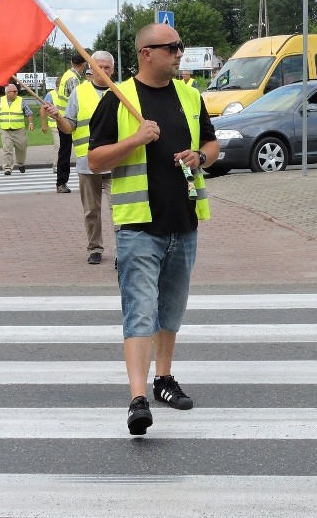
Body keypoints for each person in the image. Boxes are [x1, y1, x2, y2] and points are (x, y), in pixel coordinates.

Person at [87, 23, 219, 436]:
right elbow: (94, 162)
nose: (181, 53)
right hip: (139, 226)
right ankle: (138, 398)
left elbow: (213, 146)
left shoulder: (190, 95)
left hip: (184, 221)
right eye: (173, 47)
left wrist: (199, 156)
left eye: (181, 45)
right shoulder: (119, 100)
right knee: (140, 311)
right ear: (146, 53)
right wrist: (135, 140)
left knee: (171, 310)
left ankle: (164, 380)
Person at [46, 51, 115, 265]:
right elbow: (69, 127)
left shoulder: (121, 92)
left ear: (113, 69)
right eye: (99, 67)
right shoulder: (79, 92)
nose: (103, 71)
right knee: (91, 211)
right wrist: (58, 117)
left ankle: (123, 252)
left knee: (120, 210)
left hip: (116, 162)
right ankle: (95, 248)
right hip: (88, 163)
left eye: (107, 68)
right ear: (90, 69)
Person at [54, 53, 88, 192]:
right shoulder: (73, 79)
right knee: (67, 151)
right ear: (84, 64)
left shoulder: (67, 75)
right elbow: (77, 99)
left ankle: (61, 182)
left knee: (64, 151)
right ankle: (61, 182)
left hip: (64, 119)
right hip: (69, 120)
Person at [0, 83, 34, 175]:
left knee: (22, 148)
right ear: (7, 93)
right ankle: (7, 168)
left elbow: (29, 113)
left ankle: (21, 163)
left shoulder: (21, 100)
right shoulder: (0, 101)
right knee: (7, 149)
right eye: (14, 91)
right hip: (5, 130)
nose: (16, 93)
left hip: (19, 130)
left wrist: (30, 123)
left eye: (17, 91)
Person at [39, 88, 59, 173]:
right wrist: (43, 124)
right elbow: (43, 109)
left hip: (67, 124)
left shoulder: (68, 93)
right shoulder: (51, 95)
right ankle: (56, 166)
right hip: (55, 125)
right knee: (58, 145)